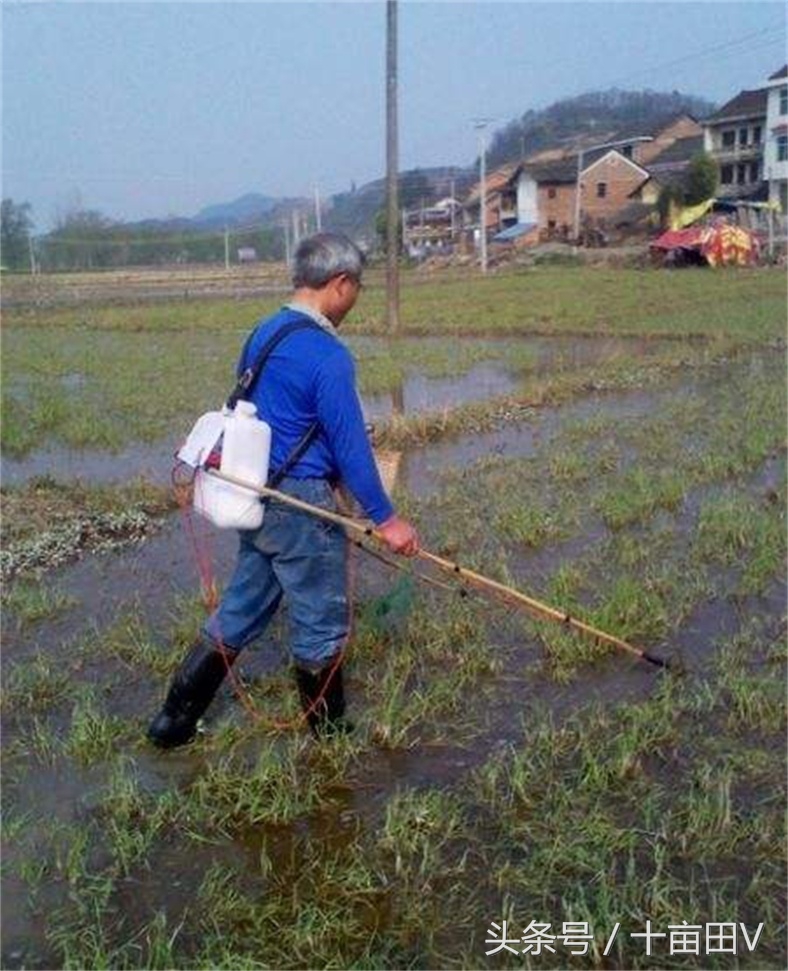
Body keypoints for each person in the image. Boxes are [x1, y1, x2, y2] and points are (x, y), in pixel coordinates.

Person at [148, 233, 419, 748]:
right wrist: (386, 519)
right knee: (321, 620)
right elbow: (351, 449)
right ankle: (330, 739)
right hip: (302, 505)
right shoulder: (328, 355)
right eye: (357, 288)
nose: (355, 299)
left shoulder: (264, 332)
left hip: (258, 495)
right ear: (340, 284)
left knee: (242, 607)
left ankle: (172, 721)